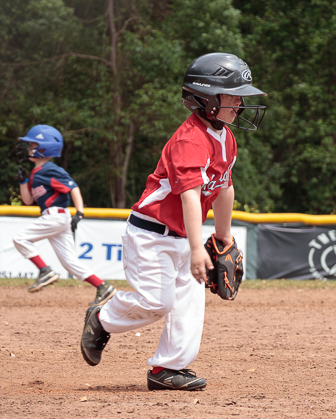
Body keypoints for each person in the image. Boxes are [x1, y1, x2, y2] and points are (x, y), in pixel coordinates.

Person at [79, 53, 267, 390]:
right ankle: (102, 318)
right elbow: (190, 196)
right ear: (207, 99)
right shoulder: (189, 139)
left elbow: (224, 187)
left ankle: (166, 369)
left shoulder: (226, 137)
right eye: (233, 95)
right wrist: (199, 249)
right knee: (157, 302)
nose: (240, 103)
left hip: (185, 237)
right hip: (151, 235)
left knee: (189, 305)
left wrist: (222, 234)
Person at [12, 124, 116, 306]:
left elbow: (73, 187)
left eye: (33, 145)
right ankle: (103, 287)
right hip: (55, 219)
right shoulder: (36, 173)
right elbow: (28, 201)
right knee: (69, 262)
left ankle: (45, 271)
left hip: (56, 216)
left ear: (45, 149)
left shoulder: (50, 169)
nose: (29, 148)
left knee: (20, 239)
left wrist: (80, 213)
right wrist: (22, 181)